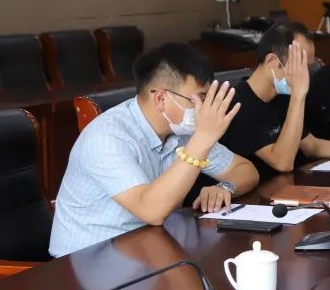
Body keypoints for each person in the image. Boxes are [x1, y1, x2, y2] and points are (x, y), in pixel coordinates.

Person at [49, 44, 259, 257]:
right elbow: (151, 211)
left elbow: (245, 171)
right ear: (160, 98)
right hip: (89, 259)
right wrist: (203, 139)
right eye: (199, 99)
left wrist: (224, 187)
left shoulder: (182, 130)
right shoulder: (106, 137)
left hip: (150, 246)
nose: (204, 110)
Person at [220, 24, 330, 177]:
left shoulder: (282, 96)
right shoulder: (238, 103)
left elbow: (312, 146)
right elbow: (282, 163)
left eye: (308, 67)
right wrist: (298, 95)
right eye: (300, 64)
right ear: (272, 61)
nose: (306, 75)